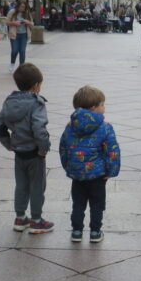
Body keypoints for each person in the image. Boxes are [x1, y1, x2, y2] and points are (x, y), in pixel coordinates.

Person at [0, 63, 54, 233]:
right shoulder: (36, 104)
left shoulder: (9, 102)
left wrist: (9, 144)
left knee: (21, 185)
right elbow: (39, 129)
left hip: (19, 152)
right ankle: (36, 220)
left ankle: (20, 218)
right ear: (36, 86)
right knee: (37, 186)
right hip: (35, 154)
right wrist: (44, 148)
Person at [59, 85, 120, 243]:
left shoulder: (69, 127)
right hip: (97, 175)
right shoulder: (105, 127)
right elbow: (112, 151)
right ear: (94, 108)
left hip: (77, 174)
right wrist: (111, 171)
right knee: (97, 204)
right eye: (102, 105)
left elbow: (63, 149)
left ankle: (77, 231)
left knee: (78, 203)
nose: (104, 108)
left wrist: (69, 166)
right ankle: (95, 232)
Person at [6, 1, 34, 73]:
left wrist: (28, 22)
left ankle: (22, 68)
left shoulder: (27, 13)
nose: (23, 8)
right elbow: (6, 22)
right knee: (14, 50)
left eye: (24, 7)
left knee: (22, 51)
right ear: (18, 6)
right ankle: (12, 63)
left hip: (24, 35)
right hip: (14, 34)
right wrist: (14, 23)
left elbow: (32, 24)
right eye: (21, 6)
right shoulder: (12, 12)